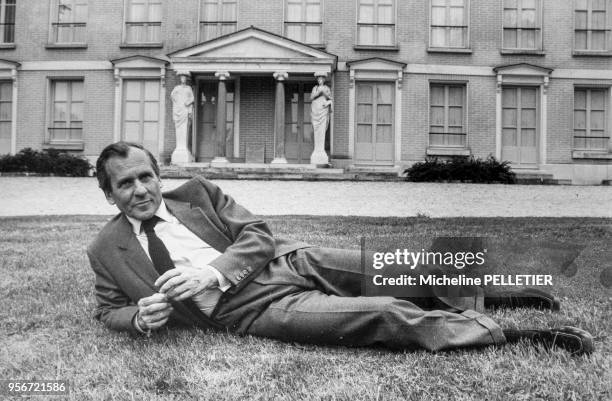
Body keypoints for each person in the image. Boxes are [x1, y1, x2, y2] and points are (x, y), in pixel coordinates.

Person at [87, 141, 594, 355]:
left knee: (398, 270)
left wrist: (212, 272)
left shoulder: (197, 193)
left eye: (147, 176)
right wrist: (138, 318)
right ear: (109, 194)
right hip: (253, 309)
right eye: (126, 184)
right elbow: (109, 309)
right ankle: (518, 334)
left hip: (287, 259)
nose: (141, 190)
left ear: (160, 175)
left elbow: (258, 233)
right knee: (383, 312)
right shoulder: (106, 249)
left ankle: (502, 294)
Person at [309, 74, 332, 165]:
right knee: (316, 131)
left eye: (321, 79)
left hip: (323, 110)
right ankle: (316, 150)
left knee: (322, 131)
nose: (319, 81)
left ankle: (321, 151)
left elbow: (330, 98)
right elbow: (311, 97)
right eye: (318, 79)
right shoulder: (315, 88)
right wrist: (319, 92)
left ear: (324, 80)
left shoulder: (326, 88)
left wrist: (327, 100)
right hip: (315, 110)